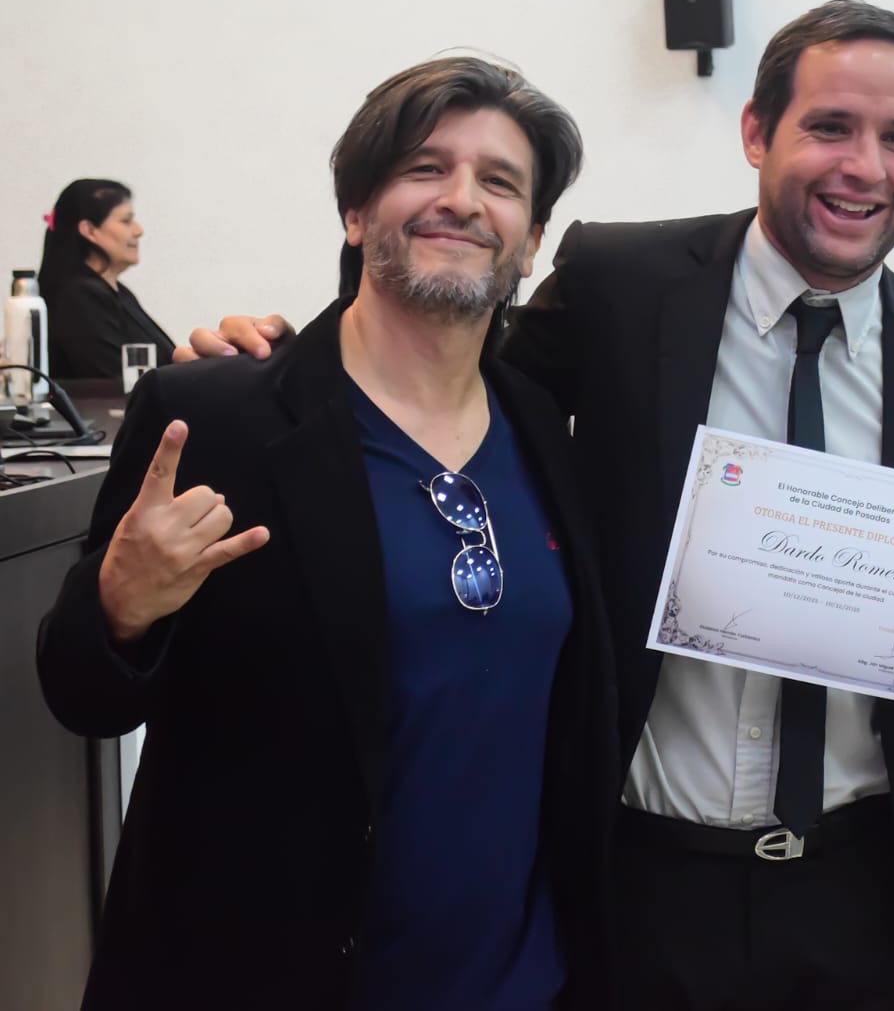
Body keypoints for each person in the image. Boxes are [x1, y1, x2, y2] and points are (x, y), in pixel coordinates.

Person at [179, 0, 894, 1011]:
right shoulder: (624, 282)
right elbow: (452, 377)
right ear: (757, 130)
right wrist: (273, 365)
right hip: (641, 875)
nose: (864, 166)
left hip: (861, 885)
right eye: (830, 126)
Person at [35, 57, 616, 1011]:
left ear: (533, 238)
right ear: (355, 211)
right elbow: (81, 693)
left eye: (500, 181)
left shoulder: (543, 427)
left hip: (518, 981)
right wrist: (117, 605)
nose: (462, 199)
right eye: (425, 168)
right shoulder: (216, 415)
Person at [37, 179, 176, 379]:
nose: (138, 231)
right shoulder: (81, 296)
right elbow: (116, 380)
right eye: (126, 221)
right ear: (89, 231)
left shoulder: (118, 292)